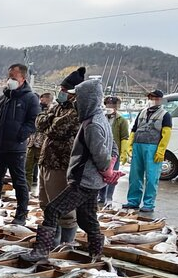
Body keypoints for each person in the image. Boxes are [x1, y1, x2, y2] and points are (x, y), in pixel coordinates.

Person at [22, 79, 118, 262]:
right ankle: (96, 255)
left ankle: (41, 253)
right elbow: (113, 148)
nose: (75, 101)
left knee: (52, 210)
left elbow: (102, 155)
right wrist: (106, 172)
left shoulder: (93, 125)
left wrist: (107, 170)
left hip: (84, 180)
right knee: (87, 219)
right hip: (92, 180)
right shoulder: (99, 119)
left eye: (78, 97)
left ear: (87, 99)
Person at [0, 63, 39, 225]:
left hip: (16, 148)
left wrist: (20, 136)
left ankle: (21, 214)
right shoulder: (2, 98)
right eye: (9, 77)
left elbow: (33, 122)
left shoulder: (30, 98)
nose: (9, 80)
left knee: (19, 181)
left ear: (23, 78)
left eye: (13, 77)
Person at [37, 67, 86, 244]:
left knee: (63, 209)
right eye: (62, 89)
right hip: (46, 159)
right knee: (45, 203)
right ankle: (52, 242)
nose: (62, 92)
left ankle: (65, 245)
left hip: (62, 162)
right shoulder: (58, 107)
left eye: (65, 90)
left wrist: (48, 121)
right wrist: (48, 119)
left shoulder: (76, 110)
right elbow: (40, 122)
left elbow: (55, 130)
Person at [122, 89, 172, 212]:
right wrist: (130, 144)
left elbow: (166, 134)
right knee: (135, 175)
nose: (153, 100)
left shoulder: (165, 115)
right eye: (151, 98)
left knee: (152, 176)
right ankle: (133, 201)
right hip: (138, 146)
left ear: (160, 100)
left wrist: (161, 150)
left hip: (153, 148)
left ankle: (149, 204)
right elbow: (134, 129)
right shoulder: (142, 112)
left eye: (155, 98)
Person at [98, 96, 130, 205]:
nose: (109, 107)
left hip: (114, 153)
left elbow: (124, 137)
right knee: (101, 176)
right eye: (107, 105)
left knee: (112, 176)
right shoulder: (100, 118)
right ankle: (101, 197)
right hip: (101, 151)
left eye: (112, 105)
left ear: (117, 107)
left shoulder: (122, 120)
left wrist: (124, 152)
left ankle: (109, 198)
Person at [25, 92, 53, 190]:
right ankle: (26, 189)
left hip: (42, 144)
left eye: (43, 100)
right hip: (32, 142)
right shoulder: (37, 109)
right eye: (40, 100)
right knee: (27, 169)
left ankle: (42, 190)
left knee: (43, 171)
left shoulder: (52, 111)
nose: (41, 102)